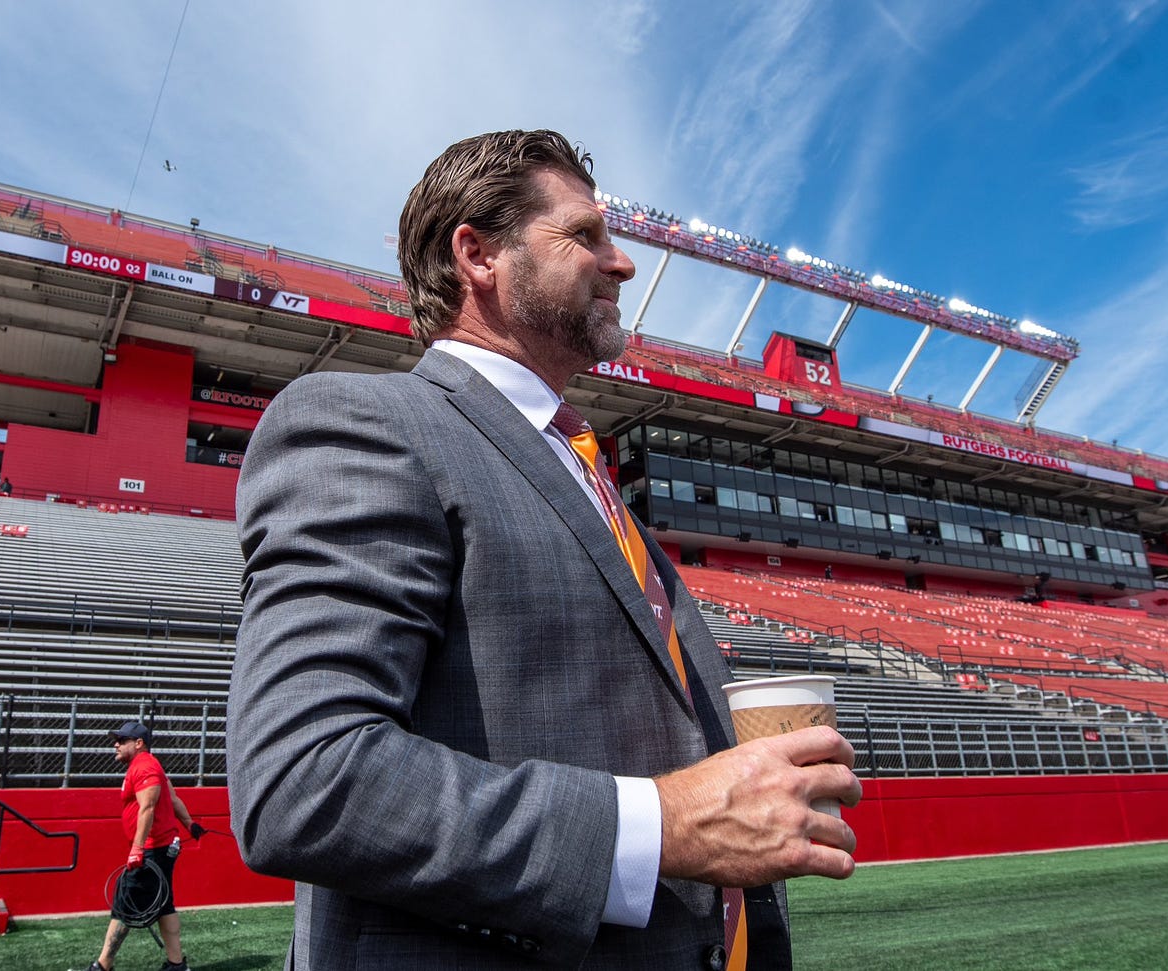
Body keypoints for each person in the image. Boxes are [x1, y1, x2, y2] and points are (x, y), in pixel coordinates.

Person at [228, 129, 861, 970]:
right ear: (478, 254)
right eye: (585, 235)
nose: (622, 262)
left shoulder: (590, 476)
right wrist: (661, 826)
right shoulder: (367, 424)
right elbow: (304, 780)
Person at [85, 721, 206, 971]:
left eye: (121, 740)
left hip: (152, 849)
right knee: (164, 904)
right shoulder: (149, 766)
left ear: (138, 743)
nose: (115, 744)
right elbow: (172, 799)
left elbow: (148, 808)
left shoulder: (145, 767)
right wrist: (190, 825)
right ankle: (176, 964)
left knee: (125, 903)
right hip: (160, 848)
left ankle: (103, 965)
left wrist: (137, 848)